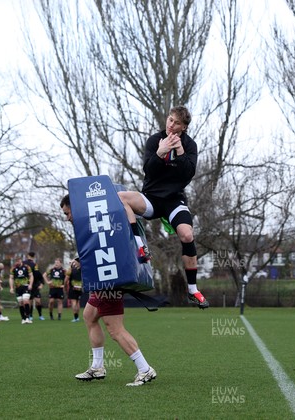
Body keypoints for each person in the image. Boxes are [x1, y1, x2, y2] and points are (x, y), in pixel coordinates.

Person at [117, 105, 208, 309]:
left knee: (187, 235)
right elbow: (148, 170)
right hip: (151, 198)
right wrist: (160, 152)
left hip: (174, 200)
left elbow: (187, 175)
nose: (171, 125)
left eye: (176, 123)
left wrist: (180, 151)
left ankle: (193, 290)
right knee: (121, 197)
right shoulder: (154, 140)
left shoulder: (190, 145)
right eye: (169, 120)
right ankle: (141, 245)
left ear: (183, 127)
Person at [60, 194, 156, 386]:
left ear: (76, 208)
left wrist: (82, 261)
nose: (67, 217)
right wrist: (81, 259)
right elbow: (100, 244)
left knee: (115, 329)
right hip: (104, 281)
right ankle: (97, 367)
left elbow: (106, 245)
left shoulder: (95, 218)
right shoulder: (96, 218)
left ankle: (145, 369)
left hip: (108, 282)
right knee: (89, 316)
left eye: (67, 213)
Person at [9, 256, 34, 324]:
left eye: (17, 261)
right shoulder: (13, 268)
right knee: (20, 303)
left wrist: (30, 284)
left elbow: (31, 276)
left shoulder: (27, 267)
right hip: (18, 288)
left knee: (26, 301)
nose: (16, 263)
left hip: (26, 286)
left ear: (20, 260)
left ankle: (27, 318)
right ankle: (23, 318)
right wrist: (11, 287)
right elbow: (11, 278)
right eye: (15, 261)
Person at [24, 251, 45, 321]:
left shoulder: (34, 264)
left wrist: (41, 283)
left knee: (37, 301)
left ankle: (40, 315)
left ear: (27, 256)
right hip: (28, 284)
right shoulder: (24, 263)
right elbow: (38, 275)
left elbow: (38, 274)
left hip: (35, 285)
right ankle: (30, 315)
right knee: (30, 301)